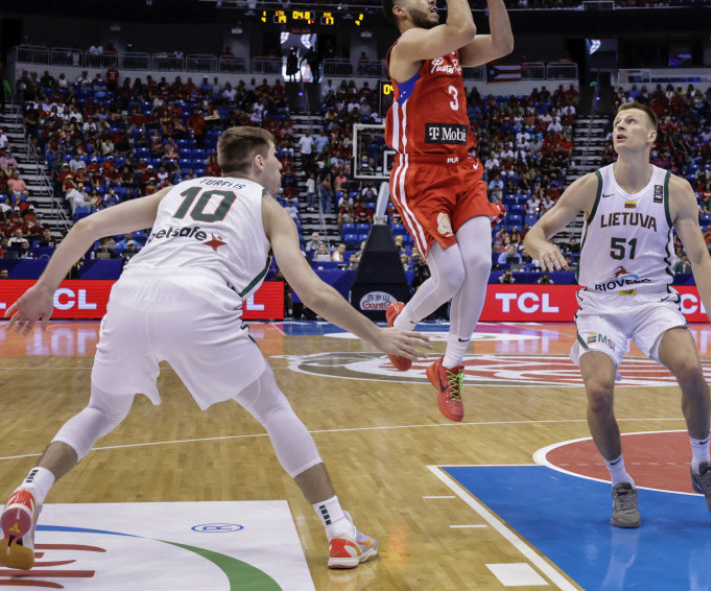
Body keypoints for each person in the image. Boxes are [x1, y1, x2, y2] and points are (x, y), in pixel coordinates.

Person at [0, 126, 430, 572]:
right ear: (258, 163)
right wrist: (378, 336)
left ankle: (29, 491)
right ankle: (340, 532)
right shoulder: (269, 209)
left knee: (102, 410)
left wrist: (45, 287)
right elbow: (313, 294)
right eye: (277, 157)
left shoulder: (177, 191)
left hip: (129, 296)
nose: (283, 165)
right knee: (273, 408)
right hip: (200, 299)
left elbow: (88, 226)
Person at [523, 102, 711, 528]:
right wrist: (543, 247)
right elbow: (535, 233)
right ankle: (621, 483)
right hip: (600, 307)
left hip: (652, 302)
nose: (621, 127)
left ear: (652, 136)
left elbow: (699, 258)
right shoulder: (592, 185)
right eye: (616, 122)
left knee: (692, 369)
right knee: (599, 392)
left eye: (631, 122)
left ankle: (702, 465)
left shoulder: (675, 190)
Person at [378, 0, 513, 422]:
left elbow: (501, 43)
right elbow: (463, 26)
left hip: (465, 170)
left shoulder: (450, 50)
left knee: (479, 262)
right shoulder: (409, 45)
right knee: (451, 273)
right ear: (399, 11)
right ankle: (403, 318)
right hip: (422, 175)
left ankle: (450, 366)